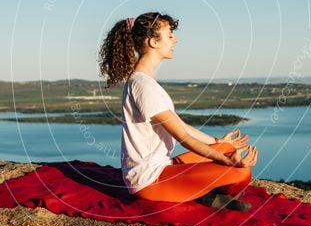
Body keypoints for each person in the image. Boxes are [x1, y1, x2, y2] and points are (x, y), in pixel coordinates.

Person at [97, 11, 258, 211]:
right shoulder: (143, 86)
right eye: (170, 35)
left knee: (226, 148)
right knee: (240, 173)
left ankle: (197, 191)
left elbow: (182, 126)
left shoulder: (144, 81)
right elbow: (182, 136)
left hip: (163, 166)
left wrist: (219, 143)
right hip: (150, 180)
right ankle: (200, 194)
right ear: (153, 42)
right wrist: (226, 162)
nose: (175, 39)